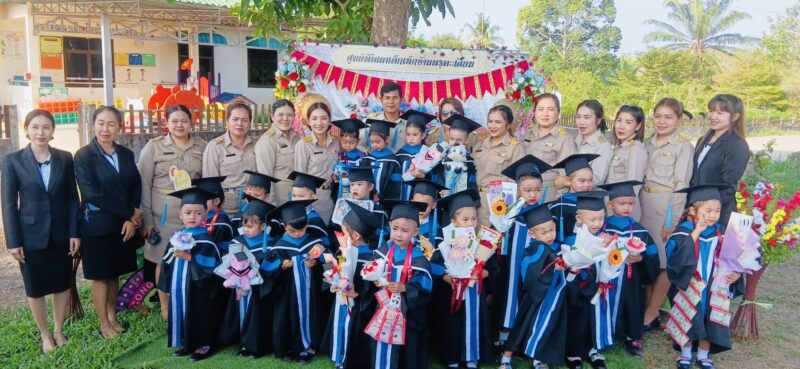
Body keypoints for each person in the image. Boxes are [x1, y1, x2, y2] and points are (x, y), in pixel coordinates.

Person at [1, 109, 80, 353]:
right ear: (26, 129)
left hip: (60, 233)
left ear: (53, 131)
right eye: (35, 127)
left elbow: (71, 199)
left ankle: (58, 329)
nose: (40, 132)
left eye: (46, 127)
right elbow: (8, 202)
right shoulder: (13, 160)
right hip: (29, 235)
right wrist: (13, 241)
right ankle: (45, 335)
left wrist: (74, 232)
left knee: (61, 283)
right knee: (34, 287)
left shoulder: (65, 158)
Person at [74, 106, 142, 339]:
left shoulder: (125, 154)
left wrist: (132, 217)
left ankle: (113, 317)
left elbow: (135, 185)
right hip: (98, 226)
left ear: (119, 127)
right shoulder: (83, 156)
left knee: (115, 273)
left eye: (111, 124)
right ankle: (103, 324)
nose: (106, 129)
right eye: (101, 123)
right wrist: (128, 215)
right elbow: (93, 194)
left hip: (123, 226)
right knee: (101, 276)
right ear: (93, 125)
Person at [138, 104, 207, 319]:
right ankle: (166, 309)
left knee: (190, 258)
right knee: (163, 260)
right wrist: (147, 220)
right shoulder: (154, 147)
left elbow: (205, 181)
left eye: (184, 121)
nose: (179, 125)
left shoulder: (202, 146)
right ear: (166, 122)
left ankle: (188, 303)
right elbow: (143, 184)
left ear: (191, 122)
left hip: (193, 217)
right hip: (163, 218)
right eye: (174, 121)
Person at [666, 184, 743, 369]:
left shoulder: (722, 232)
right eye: (707, 210)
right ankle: (685, 354)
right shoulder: (682, 233)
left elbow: (735, 257)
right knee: (689, 317)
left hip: (714, 287)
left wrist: (736, 274)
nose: (713, 214)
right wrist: (696, 232)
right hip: (690, 285)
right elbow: (675, 261)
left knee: (710, 319)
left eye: (717, 210)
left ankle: (703, 354)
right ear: (693, 210)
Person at [640, 98, 695, 332]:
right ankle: (645, 308)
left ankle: (651, 313)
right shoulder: (647, 143)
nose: (661, 121)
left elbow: (681, 185)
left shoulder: (683, 146)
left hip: (665, 207)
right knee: (646, 258)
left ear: (679, 120)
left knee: (663, 262)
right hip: (643, 205)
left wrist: (672, 221)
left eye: (668, 117)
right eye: (658, 116)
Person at [260, 200, 330, 364]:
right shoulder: (279, 247)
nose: (298, 234)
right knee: (288, 317)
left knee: (311, 315)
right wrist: (281, 267)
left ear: (307, 224)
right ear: (284, 226)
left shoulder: (315, 242)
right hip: (288, 294)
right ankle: (291, 347)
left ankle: (308, 348)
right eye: (292, 230)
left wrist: (317, 263)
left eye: (302, 229)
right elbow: (266, 271)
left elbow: (329, 263)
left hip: (311, 293)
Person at [430, 189, 493, 369]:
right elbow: (436, 267)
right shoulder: (445, 242)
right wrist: (448, 277)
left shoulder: (482, 241)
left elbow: (490, 268)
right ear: (453, 222)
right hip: (452, 293)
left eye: (474, 219)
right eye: (465, 219)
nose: (470, 223)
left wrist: (482, 273)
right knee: (453, 325)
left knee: (472, 322)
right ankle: (452, 357)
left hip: (474, 292)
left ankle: (472, 356)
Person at [493, 154, 552, 348]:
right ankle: (505, 333)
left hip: (536, 262)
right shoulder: (511, 211)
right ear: (518, 190)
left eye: (537, 189)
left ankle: (527, 333)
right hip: (514, 260)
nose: (533, 194)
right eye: (527, 190)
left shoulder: (544, 211)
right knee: (511, 292)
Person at [157, 187, 222, 361]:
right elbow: (166, 262)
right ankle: (188, 343)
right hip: (180, 286)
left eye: (198, 213)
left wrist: (190, 257)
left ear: (205, 215)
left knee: (200, 313)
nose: (193, 217)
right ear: (180, 215)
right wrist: (166, 283)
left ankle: (205, 344)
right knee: (183, 311)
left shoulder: (206, 240)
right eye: (188, 212)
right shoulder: (176, 236)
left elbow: (213, 268)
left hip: (199, 289)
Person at [499, 203, 567, 369]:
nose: (550, 235)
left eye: (552, 229)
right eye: (543, 232)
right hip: (534, 298)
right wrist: (554, 269)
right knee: (522, 326)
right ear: (532, 233)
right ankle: (505, 360)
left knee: (544, 328)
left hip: (549, 297)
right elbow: (530, 272)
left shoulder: (556, 247)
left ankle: (538, 359)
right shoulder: (534, 249)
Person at [596, 180, 660, 356]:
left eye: (631, 204)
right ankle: (602, 335)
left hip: (630, 280)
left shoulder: (640, 231)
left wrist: (640, 258)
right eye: (621, 203)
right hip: (606, 278)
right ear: (610, 204)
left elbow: (651, 257)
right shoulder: (602, 227)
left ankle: (634, 338)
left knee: (633, 304)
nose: (627, 207)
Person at [369, 199, 432, 369]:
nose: (398, 234)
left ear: (416, 231)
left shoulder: (419, 259)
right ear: (389, 225)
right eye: (395, 228)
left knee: (406, 348)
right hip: (382, 309)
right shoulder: (382, 252)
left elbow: (425, 290)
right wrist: (373, 279)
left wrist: (405, 288)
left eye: (405, 230)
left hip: (407, 315)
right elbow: (369, 274)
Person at [324, 200, 382, 369]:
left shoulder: (372, 260)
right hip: (342, 300)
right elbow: (338, 269)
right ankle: (339, 355)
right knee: (340, 325)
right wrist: (332, 281)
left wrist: (356, 294)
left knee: (352, 331)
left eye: (344, 232)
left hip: (359, 307)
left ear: (355, 235)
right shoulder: (343, 253)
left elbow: (372, 288)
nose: (341, 236)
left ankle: (346, 357)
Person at [217, 195, 276, 357]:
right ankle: (243, 344)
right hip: (239, 287)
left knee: (256, 317)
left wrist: (258, 272)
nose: (247, 229)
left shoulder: (271, 244)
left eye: (251, 226)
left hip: (258, 290)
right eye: (244, 224)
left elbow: (272, 266)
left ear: (263, 227)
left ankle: (255, 347)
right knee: (240, 313)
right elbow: (228, 259)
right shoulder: (237, 241)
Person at [562, 192, 611, 369]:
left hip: (598, 285)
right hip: (577, 286)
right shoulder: (571, 238)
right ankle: (573, 353)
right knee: (577, 317)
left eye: (601, 218)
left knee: (594, 316)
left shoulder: (606, 236)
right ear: (579, 218)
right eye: (592, 219)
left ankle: (593, 349)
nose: (597, 223)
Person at [690, 94, 750, 227]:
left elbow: (727, 186)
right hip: (697, 210)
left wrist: (709, 209)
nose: (713, 116)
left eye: (720, 113)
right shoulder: (702, 140)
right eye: (711, 111)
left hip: (717, 215)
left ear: (735, 117)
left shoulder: (737, 145)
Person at [472, 105, 525, 227]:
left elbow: (519, 180)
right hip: (476, 201)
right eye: (490, 121)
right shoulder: (480, 144)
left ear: (508, 124)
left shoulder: (515, 148)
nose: (492, 126)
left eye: (498, 122)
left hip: (497, 202)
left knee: (492, 241)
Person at [202, 102, 257, 215]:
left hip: (253, 203)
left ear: (250, 123)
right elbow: (210, 182)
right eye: (235, 119)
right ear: (227, 121)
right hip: (227, 206)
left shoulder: (257, 144)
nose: (240, 123)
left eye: (244, 120)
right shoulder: (215, 146)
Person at [523, 93, 577, 202]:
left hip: (547, 196)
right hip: (524, 196)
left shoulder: (564, 138)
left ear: (558, 113)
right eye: (541, 109)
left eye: (551, 109)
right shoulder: (526, 133)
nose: (545, 114)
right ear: (535, 112)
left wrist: (556, 205)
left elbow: (566, 177)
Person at [294, 101, 339, 224]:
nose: (319, 123)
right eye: (314, 119)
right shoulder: (303, 145)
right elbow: (300, 178)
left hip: (330, 199)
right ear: (308, 121)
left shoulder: (336, 143)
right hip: (312, 200)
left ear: (329, 121)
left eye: (323, 118)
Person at [255, 99, 300, 206]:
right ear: (272, 116)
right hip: (279, 203)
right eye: (280, 114)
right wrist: (271, 206)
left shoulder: (297, 138)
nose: (285, 118)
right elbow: (265, 178)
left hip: (297, 199)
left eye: (289, 115)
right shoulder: (267, 141)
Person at [607, 105, 648, 220]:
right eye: (619, 121)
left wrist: (624, 208)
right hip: (613, 208)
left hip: (624, 211)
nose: (621, 126)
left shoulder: (635, 149)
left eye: (628, 122)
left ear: (638, 126)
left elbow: (633, 186)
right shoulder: (619, 148)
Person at [548, 154, 599, 243]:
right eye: (582, 181)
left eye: (590, 180)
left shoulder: (595, 202)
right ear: (569, 181)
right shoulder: (560, 204)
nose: (587, 185)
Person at [433, 114, 480, 195]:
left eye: (459, 140)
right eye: (452, 139)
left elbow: (472, 181)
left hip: (462, 196)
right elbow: (438, 175)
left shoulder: (470, 161)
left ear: (466, 140)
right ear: (448, 138)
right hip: (443, 195)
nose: (455, 142)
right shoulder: (442, 156)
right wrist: (441, 188)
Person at [396, 110, 436, 200]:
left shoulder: (427, 153)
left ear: (423, 135)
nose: (411, 138)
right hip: (402, 193)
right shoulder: (400, 153)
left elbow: (433, 175)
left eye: (415, 135)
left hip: (420, 193)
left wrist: (423, 176)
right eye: (408, 134)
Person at [360, 82, 408, 152]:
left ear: (401, 100)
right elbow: (359, 143)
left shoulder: (408, 123)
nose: (391, 102)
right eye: (387, 98)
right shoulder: (371, 121)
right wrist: (367, 152)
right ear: (381, 100)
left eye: (395, 98)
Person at [574, 100, 613, 185]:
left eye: (587, 117)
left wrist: (567, 181)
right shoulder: (576, 140)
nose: (581, 122)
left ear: (598, 120)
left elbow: (597, 180)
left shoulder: (603, 146)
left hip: (587, 196)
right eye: (578, 117)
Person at [363, 119, 402, 201]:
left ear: (387, 139)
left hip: (385, 200)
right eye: (372, 142)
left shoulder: (393, 161)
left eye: (377, 142)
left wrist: (381, 196)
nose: (374, 145)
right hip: (367, 198)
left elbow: (395, 186)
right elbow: (363, 179)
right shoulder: (367, 158)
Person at [191, 176, 235, 249]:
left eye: (204, 199)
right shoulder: (196, 216)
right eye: (198, 198)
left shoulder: (222, 223)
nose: (200, 202)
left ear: (216, 201)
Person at [331, 118, 368, 200]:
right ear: (340, 140)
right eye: (344, 142)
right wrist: (335, 175)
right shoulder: (340, 156)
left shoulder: (362, 156)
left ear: (358, 141)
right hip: (344, 189)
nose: (348, 145)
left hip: (359, 189)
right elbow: (336, 172)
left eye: (352, 142)